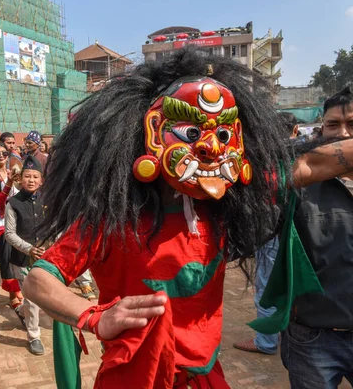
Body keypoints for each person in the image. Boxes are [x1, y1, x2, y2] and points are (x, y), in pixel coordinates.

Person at [20, 49, 353, 388]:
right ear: (149, 131)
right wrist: (95, 316)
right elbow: (38, 280)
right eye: (191, 134)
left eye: (223, 135)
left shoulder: (226, 206)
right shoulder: (112, 219)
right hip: (135, 377)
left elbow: (313, 164)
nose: (210, 148)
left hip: (203, 376)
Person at [279, 86, 353, 388]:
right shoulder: (299, 180)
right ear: (321, 128)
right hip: (313, 339)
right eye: (333, 125)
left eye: (352, 125)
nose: (343, 133)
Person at [234, 112, 300, 356]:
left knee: (266, 287)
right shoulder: (309, 155)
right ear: (295, 130)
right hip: (298, 234)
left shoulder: (266, 156)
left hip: (272, 233)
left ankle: (266, 341)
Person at [5, 155, 46, 355]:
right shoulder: (13, 203)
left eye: (35, 177)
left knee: (35, 299)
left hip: (44, 258)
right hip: (22, 259)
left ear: (41, 180)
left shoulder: (48, 200)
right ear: (20, 179)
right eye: (27, 176)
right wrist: (29, 249)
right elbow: (9, 233)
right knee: (31, 299)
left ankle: (21, 311)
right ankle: (34, 337)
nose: (30, 180)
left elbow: (55, 226)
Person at [0, 142, 23, 312]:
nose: (1, 156)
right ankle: (14, 294)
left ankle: (14, 294)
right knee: (5, 258)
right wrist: (8, 183)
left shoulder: (11, 172)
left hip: (14, 220)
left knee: (16, 257)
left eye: (4, 153)